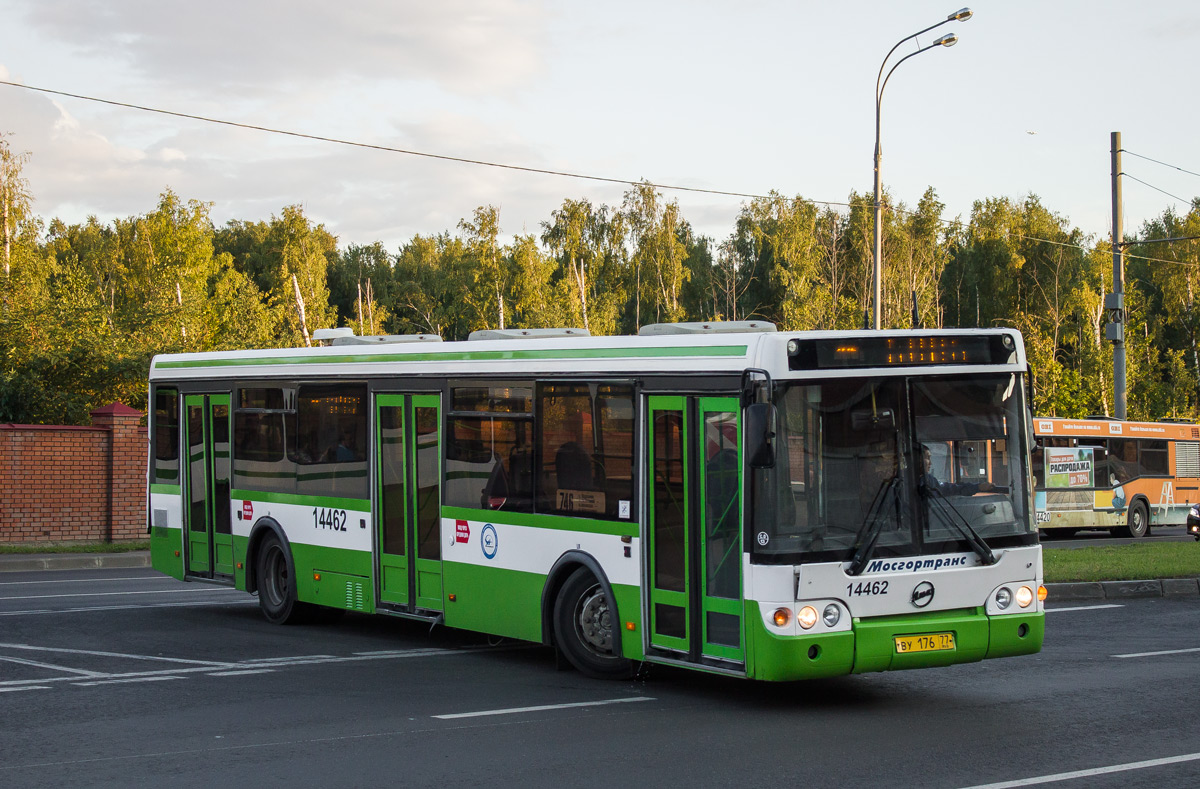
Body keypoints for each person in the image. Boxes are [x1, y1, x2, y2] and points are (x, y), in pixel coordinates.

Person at [921, 445, 993, 496]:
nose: (930, 463)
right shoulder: (912, 482)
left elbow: (951, 489)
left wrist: (978, 487)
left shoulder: (929, 480)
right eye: (927, 458)